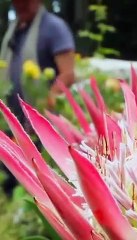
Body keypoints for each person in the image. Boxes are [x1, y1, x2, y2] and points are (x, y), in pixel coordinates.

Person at [0, 0, 75, 195]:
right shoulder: (15, 30)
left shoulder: (54, 28)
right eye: (17, 2)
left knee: (41, 180)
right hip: (13, 122)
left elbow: (68, 74)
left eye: (25, 2)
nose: (20, 6)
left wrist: (47, 100)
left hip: (41, 124)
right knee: (13, 178)